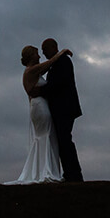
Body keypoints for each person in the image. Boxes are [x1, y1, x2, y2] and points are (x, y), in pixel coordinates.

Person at [5, 44, 70, 184]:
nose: (39, 56)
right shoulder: (31, 71)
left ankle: (43, 169)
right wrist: (62, 52)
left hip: (40, 106)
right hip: (40, 106)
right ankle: (46, 170)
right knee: (46, 135)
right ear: (30, 56)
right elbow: (50, 62)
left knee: (44, 136)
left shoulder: (34, 72)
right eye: (36, 54)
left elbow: (47, 66)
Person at [41, 37, 83, 182]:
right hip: (63, 108)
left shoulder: (63, 61)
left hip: (65, 108)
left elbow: (56, 84)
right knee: (63, 140)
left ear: (53, 47)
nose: (43, 53)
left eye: (45, 50)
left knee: (65, 140)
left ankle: (73, 174)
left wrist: (40, 91)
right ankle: (71, 173)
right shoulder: (57, 62)